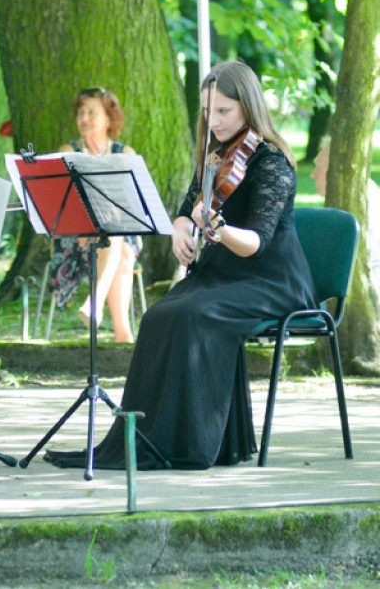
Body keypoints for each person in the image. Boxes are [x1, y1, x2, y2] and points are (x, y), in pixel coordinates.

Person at [45, 60, 317, 470]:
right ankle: (150, 439)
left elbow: (257, 244)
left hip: (271, 280)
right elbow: (185, 210)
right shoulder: (215, 155)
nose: (215, 120)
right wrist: (180, 231)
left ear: (248, 105)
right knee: (158, 315)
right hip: (222, 275)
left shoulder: (271, 163)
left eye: (224, 110)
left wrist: (220, 231)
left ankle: (191, 445)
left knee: (191, 314)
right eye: (209, 111)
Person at [55, 87, 139, 343]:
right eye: (81, 113)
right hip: (77, 236)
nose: (84, 118)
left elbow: (133, 208)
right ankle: (122, 335)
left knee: (118, 239)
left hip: (119, 232)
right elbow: (60, 203)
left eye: (92, 112)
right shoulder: (67, 151)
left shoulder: (125, 154)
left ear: (108, 119)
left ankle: (95, 301)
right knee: (122, 249)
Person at [310, 136, 380, 286]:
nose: (313, 174)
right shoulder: (347, 197)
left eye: (319, 167)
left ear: (337, 169)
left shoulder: (359, 202)